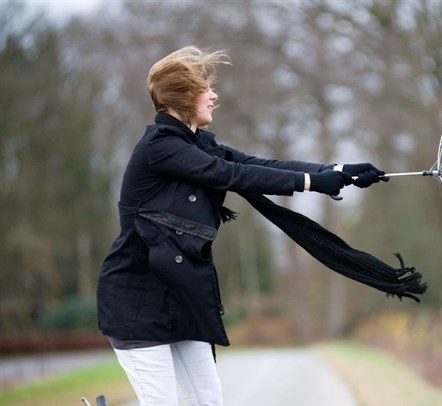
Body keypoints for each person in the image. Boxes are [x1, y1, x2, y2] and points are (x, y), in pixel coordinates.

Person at [96, 46, 387, 406]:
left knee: (208, 401)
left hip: (181, 297)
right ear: (184, 97)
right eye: (206, 88)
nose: (214, 95)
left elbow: (256, 162)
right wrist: (312, 184)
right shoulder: (161, 148)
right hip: (137, 302)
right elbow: (231, 174)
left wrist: (336, 171)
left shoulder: (198, 143)